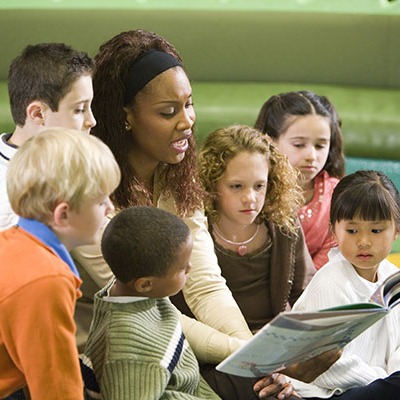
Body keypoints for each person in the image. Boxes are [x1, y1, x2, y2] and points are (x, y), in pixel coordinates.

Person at [71, 29, 341, 399]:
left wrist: (256, 358)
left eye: (189, 104)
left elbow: (205, 283)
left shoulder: (178, 174)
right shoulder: (92, 190)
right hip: (110, 359)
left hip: (172, 342)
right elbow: (149, 306)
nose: (187, 121)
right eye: (168, 112)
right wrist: (252, 359)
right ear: (125, 117)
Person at [184, 124, 315, 399]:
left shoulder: (283, 225)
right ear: (211, 184)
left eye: (260, 186)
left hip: (280, 351)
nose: (250, 198)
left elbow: (306, 297)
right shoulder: (194, 232)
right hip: (216, 356)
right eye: (236, 186)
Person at [0, 128, 120, 399]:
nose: (110, 208)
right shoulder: (47, 280)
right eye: (101, 201)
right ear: (63, 214)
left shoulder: (13, 243)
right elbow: (57, 389)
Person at [82, 206, 221, 399]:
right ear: (146, 284)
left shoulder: (132, 294)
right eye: (182, 268)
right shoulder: (127, 351)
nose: (191, 267)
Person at [291, 170, 400, 400]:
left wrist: (390, 379)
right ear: (334, 231)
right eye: (351, 231)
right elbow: (329, 367)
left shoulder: (393, 279)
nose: (363, 241)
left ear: (396, 231)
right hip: (324, 394)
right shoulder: (330, 282)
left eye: (376, 230)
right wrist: (382, 380)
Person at [0, 42, 96, 232]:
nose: (92, 121)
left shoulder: (78, 162)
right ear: (37, 114)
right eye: (79, 110)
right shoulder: (9, 204)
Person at [254, 90, 345, 269]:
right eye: (299, 145)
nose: (311, 155)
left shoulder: (337, 195)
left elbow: (329, 260)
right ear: (269, 141)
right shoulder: (253, 190)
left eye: (320, 145)